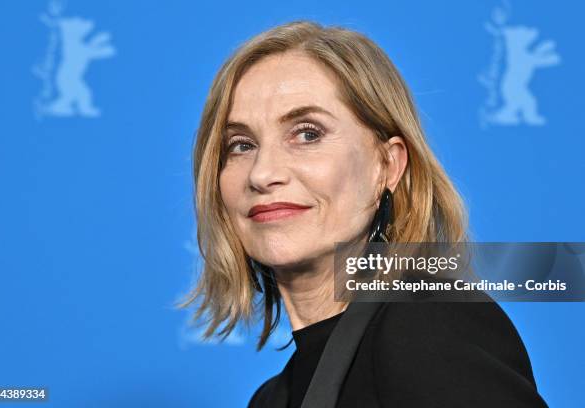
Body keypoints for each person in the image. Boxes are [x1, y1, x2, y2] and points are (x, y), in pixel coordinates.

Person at [178, 20, 549, 407]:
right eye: (240, 145)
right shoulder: (271, 400)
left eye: (308, 134)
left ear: (386, 166)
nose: (263, 173)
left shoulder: (430, 325)